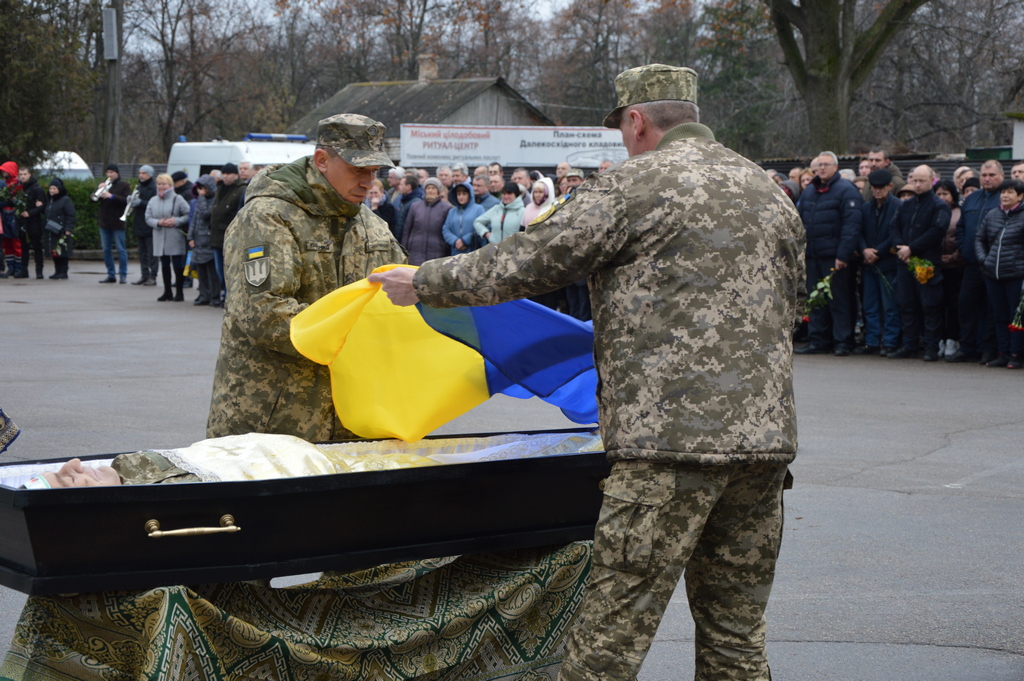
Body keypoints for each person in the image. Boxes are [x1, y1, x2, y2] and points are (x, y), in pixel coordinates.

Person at [370, 63, 803, 681]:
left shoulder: (635, 186)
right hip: (764, 449)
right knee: (737, 636)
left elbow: (528, 261)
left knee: (607, 642)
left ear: (637, 120)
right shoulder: (768, 191)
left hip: (665, 449)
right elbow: (793, 307)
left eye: (623, 130)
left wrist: (426, 281)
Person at [206, 114, 407, 440]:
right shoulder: (268, 217)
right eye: (358, 170)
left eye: (375, 171)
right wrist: (357, 338)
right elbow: (264, 315)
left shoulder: (371, 224)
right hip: (275, 417)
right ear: (322, 160)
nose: (369, 182)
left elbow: (400, 295)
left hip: (352, 420)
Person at [795, 151, 863, 356]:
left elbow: (852, 226)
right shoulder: (809, 192)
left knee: (840, 300)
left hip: (835, 257)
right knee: (816, 300)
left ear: (836, 167)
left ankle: (843, 341)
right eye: (819, 165)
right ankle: (819, 340)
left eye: (826, 164)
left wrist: (843, 255)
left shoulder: (846, 190)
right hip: (813, 255)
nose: (822, 168)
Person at [889, 165, 950, 361]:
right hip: (904, 261)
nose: (917, 184)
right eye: (914, 180)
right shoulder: (905, 205)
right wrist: (901, 248)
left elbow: (936, 232)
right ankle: (909, 345)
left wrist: (912, 248)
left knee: (930, 306)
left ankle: (931, 347)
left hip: (927, 262)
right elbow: (894, 227)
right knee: (906, 304)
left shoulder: (939, 206)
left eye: (921, 181)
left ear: (931, 181)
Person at [948, 160, 1004, 364]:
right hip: (971, 264)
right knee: (966, 305)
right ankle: (967, 347)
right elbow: (961, 227)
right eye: (984, 175)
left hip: (995, 264)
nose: (987, 179)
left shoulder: (1005, 198)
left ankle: (988, 348)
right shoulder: (972, 199)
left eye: (992, 175)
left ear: (1002, 176)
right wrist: (963, 247)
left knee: (992, 309)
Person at [975, 179, 1024, 368]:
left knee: (1016, 316)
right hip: (993, 273)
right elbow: (979, 238)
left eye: (1010, 192)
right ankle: (1002, 352)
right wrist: (984, 260)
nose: (1004, 195)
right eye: (1003, 192)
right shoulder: (993, 214)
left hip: (1016, 274)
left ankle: (1015, 354)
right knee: (999, 315)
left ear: (1020, 196)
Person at [857, 168, 902, 356]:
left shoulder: (898, 206)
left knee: (890, 305)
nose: (877, 191)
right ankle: (872, 341)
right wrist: (864, 249)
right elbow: (857, 231)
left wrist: (878, 251)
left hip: (887, 262)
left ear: (890, 186)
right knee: (870, 304)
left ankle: (890, 341)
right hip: (869, 262)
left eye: (881, 187)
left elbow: (896, 233)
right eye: (874, 187)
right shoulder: (866, 208)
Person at [146, 173, 190, 302]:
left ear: (170, 185)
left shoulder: (178, 198)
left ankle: (180, 292)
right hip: (159, 235)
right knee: (164, 264)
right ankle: (167, 291)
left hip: (174, 236)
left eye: (164, 184)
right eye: (159, 184)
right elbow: (148, 217)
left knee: (177, 264)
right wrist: (158, 223)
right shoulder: (153, 200)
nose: (161, 186)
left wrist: (175, 221)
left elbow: (188, 214)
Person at [210, 162, 246, 305]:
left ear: (235, 175)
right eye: (224, 173)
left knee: (230, 269)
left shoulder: (241, 189)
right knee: (220, 270)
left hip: (231, 236)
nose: (225, 176)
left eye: (228, 173)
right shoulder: (220, 188)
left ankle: (229, 296)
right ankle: (225, 293)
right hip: (217, 236)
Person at [935, 179, 964, 358]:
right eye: (938, 194)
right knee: (936, 305)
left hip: (956, 266)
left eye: (945, 194)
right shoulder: (932, 211)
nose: (942, 197)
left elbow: (964, 236)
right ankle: (940, 338)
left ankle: (953, 339)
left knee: (954, 305)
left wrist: (954, 257)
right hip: (935, 265)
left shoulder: (960, 213)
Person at [401, 177, 451, 265]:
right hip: (415, 252)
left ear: (438, 191)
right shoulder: (415, 207)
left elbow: (447, 231)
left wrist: (444, 247)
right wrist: (405, 249)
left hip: (437, 253)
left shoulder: (446, 208)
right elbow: (407, 230)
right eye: (428, 188)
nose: (430, 191)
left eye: (433, 188)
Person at [95, 164, 131, 284]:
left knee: (121, 249)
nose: (109, 175)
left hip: (117, 221)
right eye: (108, 172)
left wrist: (111, 196)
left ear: (117, 173)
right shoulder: (105, 184)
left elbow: (125, 201)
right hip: (104, 221)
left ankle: (123, 275)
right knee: (106, 250)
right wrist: (99, 190)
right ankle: (111, 275)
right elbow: (94, 199)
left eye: (112, 172)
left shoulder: (124, 185)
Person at [187, 174, 219, 305]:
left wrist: (201, 198)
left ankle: (214, 296)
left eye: (203, 188)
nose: (201, 191)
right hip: (198, 241)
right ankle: (203, 295)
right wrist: (190, 236)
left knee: (212, 272)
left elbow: (206, 214)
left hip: (208, 240)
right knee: (201, 272)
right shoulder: (198, 202)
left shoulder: (214, 200)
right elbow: (194, 219)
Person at [15, 167, 45, 279]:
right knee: (24, 246)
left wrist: (30, 213)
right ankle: (24, 270)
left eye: (25, 174)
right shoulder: (19, 188)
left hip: (34, 221)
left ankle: (39, 271)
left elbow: (42, 206)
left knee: (36, 246)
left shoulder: (37, 189)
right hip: (22, 221)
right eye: (21, 174)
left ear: (29, 175)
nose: (23, 176)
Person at [131, 165, 159, 285]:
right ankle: (144, 275)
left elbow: (154, 204)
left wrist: (140, 202)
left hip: (149, 224)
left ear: (150, 174)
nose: (141, 175)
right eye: (140, 173)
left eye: (144, 173)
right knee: (142, 252)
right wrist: (131, 200)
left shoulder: (153, 187)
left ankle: (153, 276)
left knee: (152, 252)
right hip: (139, 222)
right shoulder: (139, 186)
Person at [441, 180, 486, 255]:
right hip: (455, 253)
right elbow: (446, 229)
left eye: (464, 194)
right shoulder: (452, 211)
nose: (461, 197)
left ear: (469, 195)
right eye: (459, 194)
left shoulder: (479, 209)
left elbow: (481, 226)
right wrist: (455, 241)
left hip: (473, 251)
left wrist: (465, 241)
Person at [43, 178, 75, 280]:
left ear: (59, 189)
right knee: (55, 251)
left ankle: (63, 271)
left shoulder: (65, 200)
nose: (52, 191)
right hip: (51, 229)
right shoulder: (50, 200)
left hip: (61, 230)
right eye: (50, 188)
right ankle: (57, 271)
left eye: (54, 188)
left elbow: (71, 215)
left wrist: (68, 228)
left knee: (62, 251)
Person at [393, 173, 423, 242]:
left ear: (408, 187)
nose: (399, 186)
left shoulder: (416, 203)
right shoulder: (402, 200)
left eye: (401, 184)